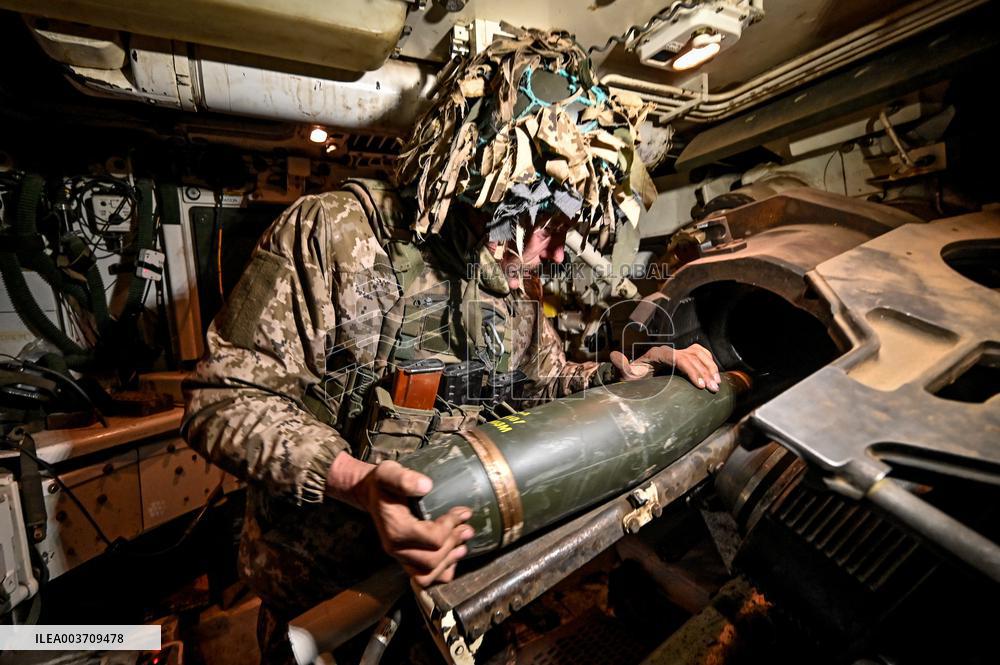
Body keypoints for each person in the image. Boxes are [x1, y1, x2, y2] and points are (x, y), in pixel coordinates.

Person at [182, 24, 720, 662]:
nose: (553, 250)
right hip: (323, 599)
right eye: (545, 220)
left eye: (566, 228)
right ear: (486, 176)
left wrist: (627, 375)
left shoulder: (508, 276)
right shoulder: (334, 235)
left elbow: (543, 381)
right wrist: (354, 479)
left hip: (452, 593)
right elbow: (222, 397)